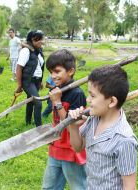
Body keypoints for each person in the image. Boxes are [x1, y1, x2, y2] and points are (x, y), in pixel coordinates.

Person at [68, 65, 138, 190]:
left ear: (111, 101)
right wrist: (73, 128)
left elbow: (130, 186)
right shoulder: (94, 118)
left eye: (93, 96)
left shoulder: (124, 140)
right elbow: (78, 147)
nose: (87, 99)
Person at [42, 49, 87, 190]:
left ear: (70, 71)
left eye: (57, 71)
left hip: (71, 149)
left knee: (79, 186)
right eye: (50, 72)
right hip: (56, 148)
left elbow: (70, 124)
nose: (53, 76)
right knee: (49, 186)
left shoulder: (77, 93)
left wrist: (58, 102)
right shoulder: (58, 90)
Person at [15, 30, 45, 127]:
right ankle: (39, 127)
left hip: (36, 81)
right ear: (33, 39)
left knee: (31, 101)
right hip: (28, 81)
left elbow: (40, 67)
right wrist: (19, 85)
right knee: (38, 103)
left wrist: (40, 81)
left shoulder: (39, 51)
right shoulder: (26, 51)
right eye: (40, 39)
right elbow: (19, 67)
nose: (42, 41)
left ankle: (27, 121)